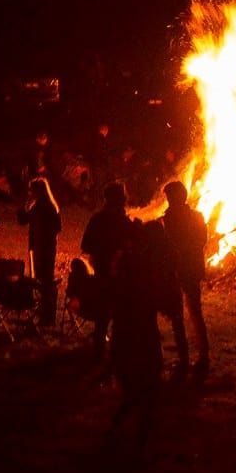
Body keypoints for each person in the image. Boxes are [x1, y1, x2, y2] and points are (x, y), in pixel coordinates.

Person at [109, 218, 169, 444]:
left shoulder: (132, 260)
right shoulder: (140, 261)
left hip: (130, 321)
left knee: (134, 367)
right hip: (137, 322)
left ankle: (134, 410)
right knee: (144, 367)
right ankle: (137, 411)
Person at [162, 180, 210, 379]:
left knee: (178, 315)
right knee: (194, 313)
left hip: (178, 270)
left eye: (169, 197)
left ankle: (185, 359)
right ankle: (202, 356)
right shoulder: (197, 216)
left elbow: (168, 244)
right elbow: (202, 241)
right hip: (191, 269)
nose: (167, 201)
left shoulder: (170, 219)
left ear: (175, 197)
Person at [81, 182, 134, 361]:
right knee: (118, 312)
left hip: (106, 271)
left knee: (104, 312)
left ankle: (100, 349)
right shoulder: (124, 222)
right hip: (118, 273)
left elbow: (85, 245)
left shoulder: (99, 219)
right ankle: (116, 351)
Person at [21, 173, 62, 324]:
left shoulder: (42, 206)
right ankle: (45, 314)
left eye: (31, 191)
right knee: (44, 281)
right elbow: (58, 227)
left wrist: (26, 207)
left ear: (38, 191)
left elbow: (23, 219)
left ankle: (46, 315)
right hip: (45, 247)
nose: (30, 193)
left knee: (43, 282)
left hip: (42, 249)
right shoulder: (49, 205)